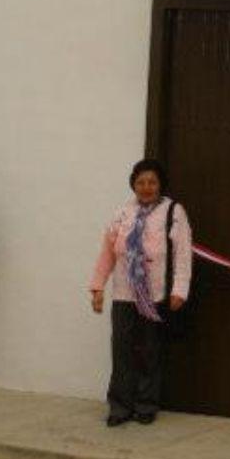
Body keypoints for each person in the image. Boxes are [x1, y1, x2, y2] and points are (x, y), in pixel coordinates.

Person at [89, 159, 192, 427]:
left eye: (152, 182)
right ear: (133, 185)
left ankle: (146, 405)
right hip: (124, 294)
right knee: (121, 351)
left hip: (154, 294)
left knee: (150, 351)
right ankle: (120, 406)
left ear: (160, 185)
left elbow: (183, 254)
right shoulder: (122, 214)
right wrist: (97, 286)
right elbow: (107, 253)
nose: (146, 187)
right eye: (141, 182)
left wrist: (179, 289)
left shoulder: (173, 212)